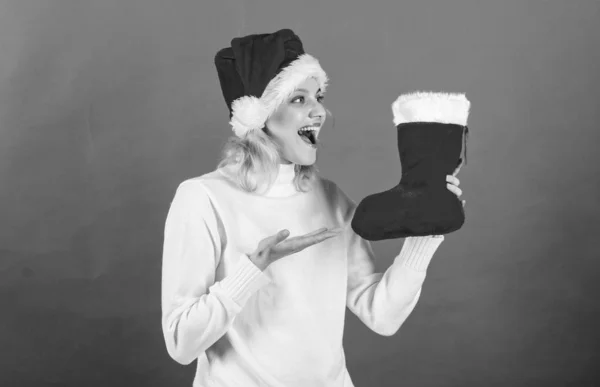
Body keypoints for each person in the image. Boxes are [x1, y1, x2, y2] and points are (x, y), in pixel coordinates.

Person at [161, 29, 464, 387]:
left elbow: (382, 316)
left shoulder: (330, 199)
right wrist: (252, 270)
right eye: (299, 99)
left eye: (317, 96)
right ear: (258, 114)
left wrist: (424, 235)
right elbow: (181, 342)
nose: (319, 111)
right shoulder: (202, 197)